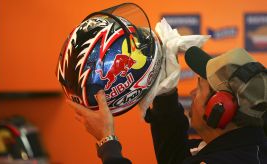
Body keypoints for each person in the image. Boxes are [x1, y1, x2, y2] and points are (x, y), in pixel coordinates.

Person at [68, 46, 267, 164]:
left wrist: (107, 141)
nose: (192, 93)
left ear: (219, 109)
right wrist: (165, 94)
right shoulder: (246, 147)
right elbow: (176, 159)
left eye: (199, 88)